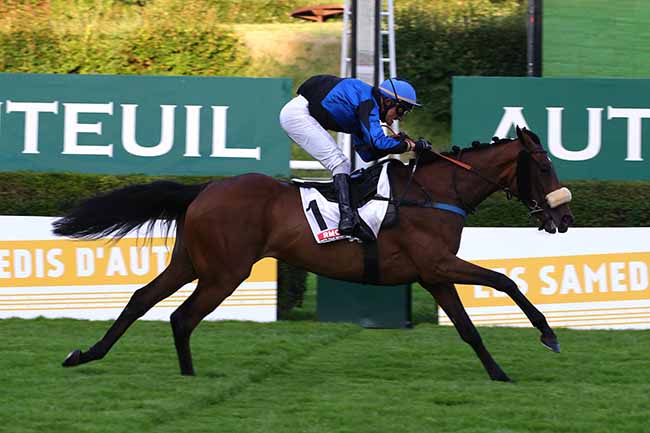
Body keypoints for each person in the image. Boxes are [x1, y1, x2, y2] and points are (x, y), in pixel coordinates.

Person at [279, 74, 431, 241]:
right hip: (299, 115)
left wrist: (399, 144)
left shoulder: (365, 105)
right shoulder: (368, 103)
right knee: (340, 163)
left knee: (342, 163)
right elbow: (378, 143)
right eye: (401, 110)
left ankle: (348, 218)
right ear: (388, 101)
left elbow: (367, 154)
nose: (400, 117)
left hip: (302, 112)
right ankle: (347, 220)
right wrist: (409, 145)